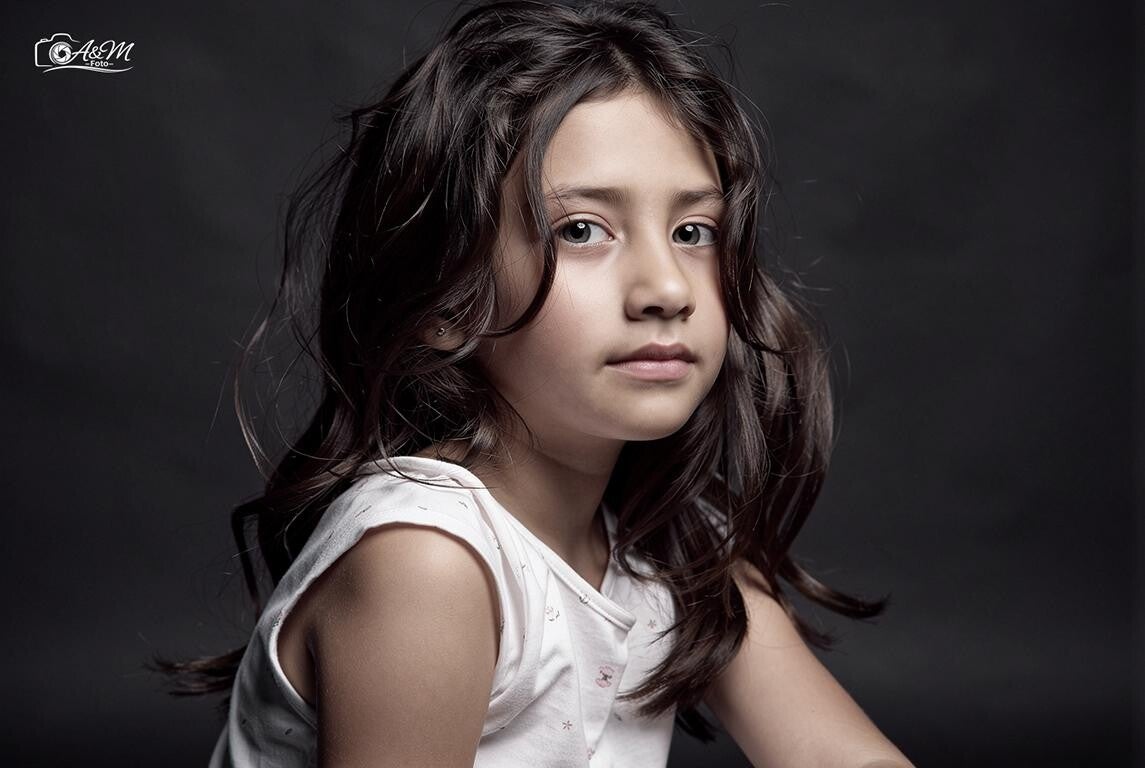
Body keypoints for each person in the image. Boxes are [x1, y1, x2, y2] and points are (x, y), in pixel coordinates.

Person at [153, 1, 915, 766]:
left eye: (693, 232)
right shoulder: (425, 558)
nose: (666, 288)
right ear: (445, 302)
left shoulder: (672, 543)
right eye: (580, 229)